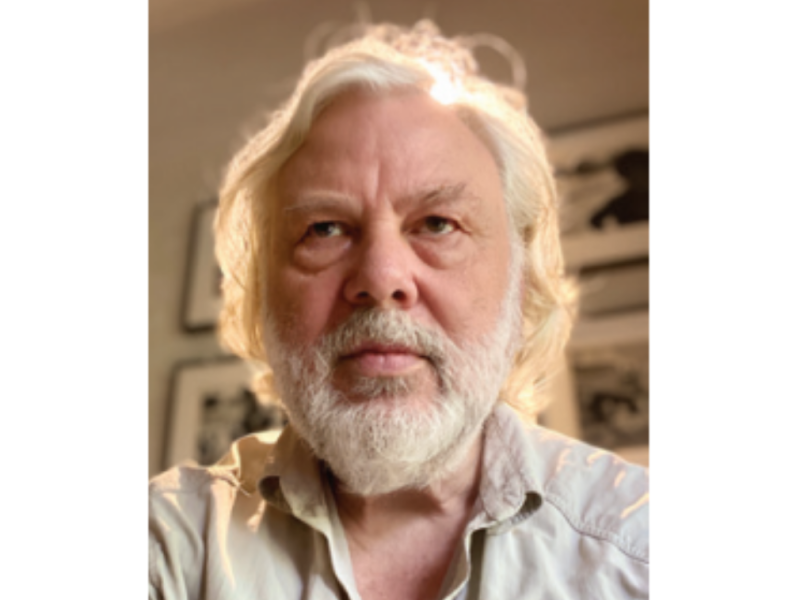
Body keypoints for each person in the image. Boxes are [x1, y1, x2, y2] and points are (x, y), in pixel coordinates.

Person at [149, 21, 649, 600]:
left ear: (523, 284)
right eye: (324, 229)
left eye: (437, 224)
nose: (382, 278)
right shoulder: (169, 547)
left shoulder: (642, 552)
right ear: (260, 297)